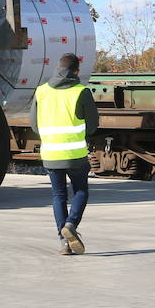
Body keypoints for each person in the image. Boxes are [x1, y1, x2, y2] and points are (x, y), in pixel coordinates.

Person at [30, 53, 99, 255]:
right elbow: (93, 125)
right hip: (75, 154)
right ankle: (70, 224)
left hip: (51, 153)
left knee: (58, 195)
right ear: (75, 71)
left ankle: (64, 243)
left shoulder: (41, 92)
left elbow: (34, 124)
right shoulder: (81, 91)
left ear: (57, 69)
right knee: (80, 191)